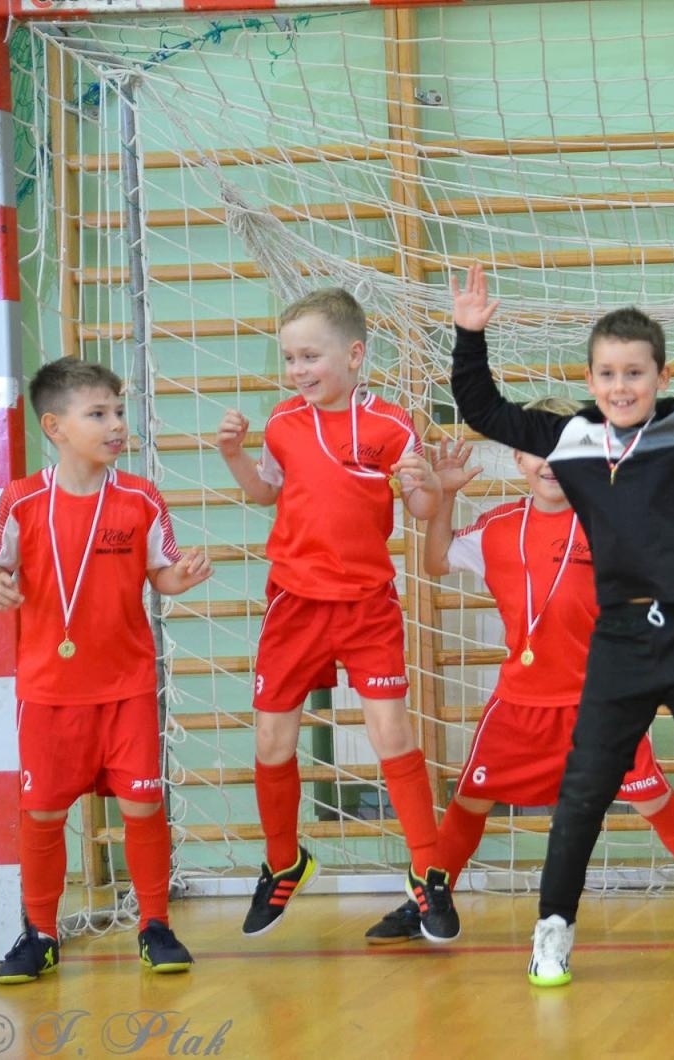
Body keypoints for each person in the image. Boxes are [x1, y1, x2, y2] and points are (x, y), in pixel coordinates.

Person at [449, 220, 674, 985]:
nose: (621, 386)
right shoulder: (571, 439)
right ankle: (552, 931)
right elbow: (481, 407)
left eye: (634, 373)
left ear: (659, 375)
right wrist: (470, 336)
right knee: (584, 790)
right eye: (607, 373)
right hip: (620, 642)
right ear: (591, 378)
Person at [363, 400, 674, 946]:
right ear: (519, 458)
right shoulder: (498, 526)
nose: (550, 461)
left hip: (601, 702)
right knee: (470, 801)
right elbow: (437, 559)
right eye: (537, 449)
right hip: (519, 705)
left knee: (653, 799)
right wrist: (445, 496)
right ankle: (424, 900)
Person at [215, 288, 458, 942]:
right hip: (294, 603)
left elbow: (423, 509)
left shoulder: (391, 425)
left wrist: (426, 485)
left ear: (353, 355)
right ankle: (283, 860)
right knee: (273, 741)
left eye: (310, 356)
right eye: (290, 358)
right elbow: (266, 491)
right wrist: (234, 454)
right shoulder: (282, 422)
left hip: (366, 605)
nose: (298, 369)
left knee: (391, 734)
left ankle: (428, 871)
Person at [0, 357, 212, 982]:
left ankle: (155, 925)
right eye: (98, 413)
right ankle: (41, 933)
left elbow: (161, 573)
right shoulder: (22, 499)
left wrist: (181, 576)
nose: (116, 425)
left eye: (118, 411)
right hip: (48, 692)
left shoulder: (140, 497)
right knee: (42, 814)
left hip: (125, 686)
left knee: (142, 805)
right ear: (54, 427)